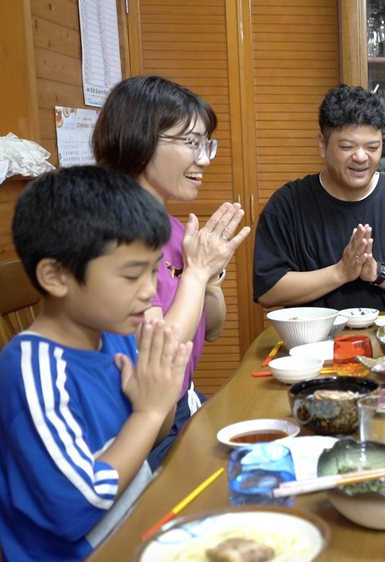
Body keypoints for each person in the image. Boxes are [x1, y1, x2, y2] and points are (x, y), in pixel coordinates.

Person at [0, 166, 191, 561]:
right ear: (56, 276)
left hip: (139, 529)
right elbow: (79, 504)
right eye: (132, 275)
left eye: (153, 271)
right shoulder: (32, 371)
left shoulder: (116, 332)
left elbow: (151, 437)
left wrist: (162, 398)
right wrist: (149, 411)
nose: (150, 291)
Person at [92, 75, 250, 469]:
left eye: (206, 144)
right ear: (141, 139)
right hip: (133, 427)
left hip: (180, 404)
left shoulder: (172, 227)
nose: (205, 159)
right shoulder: (115, 231)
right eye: (192, 143)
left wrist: (209, 278)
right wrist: (196, 273)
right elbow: (160, 355)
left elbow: (212, 328)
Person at [253, 84, 385, 311]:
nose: (361, 157)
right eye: (347, 147)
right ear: (323, 145)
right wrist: (340, 272)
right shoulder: (288, 203)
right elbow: (268, 289)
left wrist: (376, 272)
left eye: (372, 147)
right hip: (316, 333)